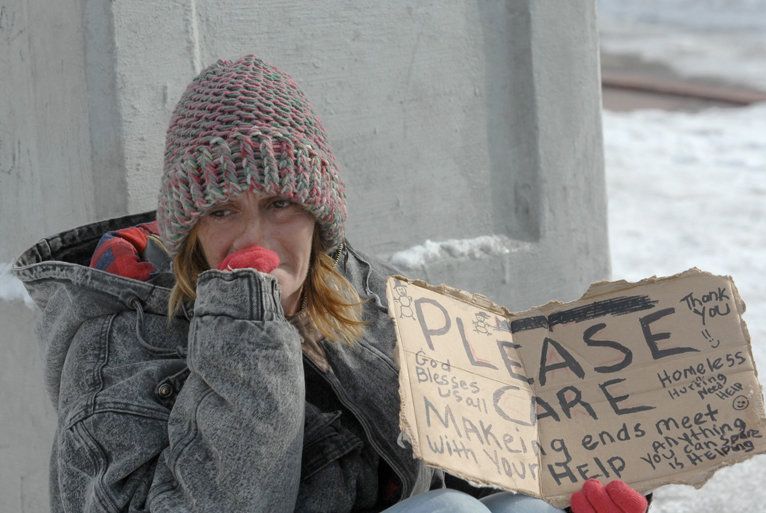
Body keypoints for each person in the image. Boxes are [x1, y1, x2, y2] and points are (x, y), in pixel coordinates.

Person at [12, 55, 650, 513]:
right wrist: (244, 328)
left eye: (281, 206)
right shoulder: (119, 346)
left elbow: (480, 452)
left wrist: (583, 494)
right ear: (190, 231)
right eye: (222, 211)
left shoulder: (357, 292)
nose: (253, 238)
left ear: (320, 220)